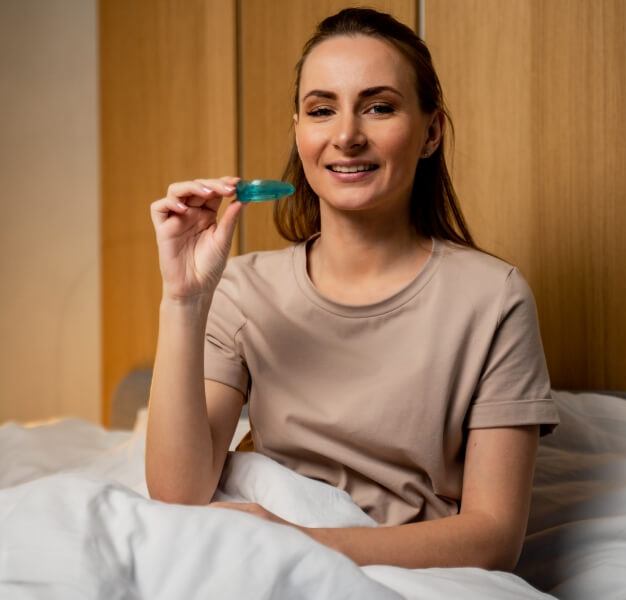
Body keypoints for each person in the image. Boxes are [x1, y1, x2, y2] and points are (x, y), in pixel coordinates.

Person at [146, 7, 560, 571]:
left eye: (380, 107)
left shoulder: (494, 299)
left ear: (430, 132)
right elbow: (178, 493)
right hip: (254, 553)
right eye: (322, 110)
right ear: (299, 129)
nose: (346, 136)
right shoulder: (243, 289)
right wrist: (184, 299)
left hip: (398, 572)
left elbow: (493, 539)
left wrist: (299, 542)